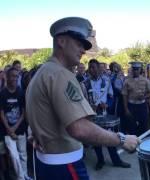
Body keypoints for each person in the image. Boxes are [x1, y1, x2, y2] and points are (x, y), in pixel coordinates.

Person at [25, 17, 139, 180]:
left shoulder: (41, 73)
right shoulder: (61, 74)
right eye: (79, 43)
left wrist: (38, 133)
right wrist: (121, 139)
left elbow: (39, 114)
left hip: (46, 163)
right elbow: (79, 128)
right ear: (61, 41)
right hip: (64, 166)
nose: (83, 50)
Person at [81, 59, 130, 170]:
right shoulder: (84, 84)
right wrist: (89, 107)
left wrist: (107, 104)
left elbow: (111, 97)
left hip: (104, 114)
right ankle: (100, 161)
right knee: (95, 138)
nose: (91, 70)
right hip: (92, 116)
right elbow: (82, 101)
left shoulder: (106, 81)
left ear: (98, 68)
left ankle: (116, 161)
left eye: (94, 67)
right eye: (90, 67)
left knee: (109, 137)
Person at [0, 67, 30, 180]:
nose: (15, 78)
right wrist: (9, 129)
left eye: (17, 76)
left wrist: (14, 128)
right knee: (14, 156)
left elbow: (23, 113)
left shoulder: (21, 92)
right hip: (7, 131)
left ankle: (25, 175)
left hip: (20, 129)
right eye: (12, 76)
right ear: (7, 77)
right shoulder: (2, 94)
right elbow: (1, 113)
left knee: (23, 155)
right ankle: (21, 177)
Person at [122, 62, 150, 136]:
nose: (135, 71)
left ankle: (142, 144)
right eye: (134, 69)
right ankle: (133, 144)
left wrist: (144, 97)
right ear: (132, 70)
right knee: (131, 126)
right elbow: (124, 95)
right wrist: (126, 109)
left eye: (137, 69)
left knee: (144, 126)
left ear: (140, 70)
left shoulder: (146, 80)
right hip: (131, 105)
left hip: (142, 105)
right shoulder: (127, 81)